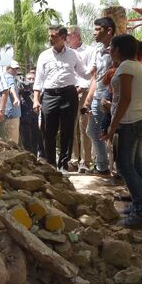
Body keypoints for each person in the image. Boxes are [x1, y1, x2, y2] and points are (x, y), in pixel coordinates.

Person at [101, 34, 142, 227]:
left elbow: (124, 99)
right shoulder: (136, 65)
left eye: (111, 47)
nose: (110, 51)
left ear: (117, 49)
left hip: (130, 122)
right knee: (137, 164)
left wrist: (113, 126)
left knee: (124, 166)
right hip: (139, 118)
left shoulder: (126, 67)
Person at [33, 25, 87, 173]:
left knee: (67, 131)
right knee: (47, 131)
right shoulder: (43, 55)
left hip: (69, 95)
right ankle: (51, 164)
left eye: (54, 36)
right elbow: (38, 80)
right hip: (49, 95)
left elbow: (84, 74)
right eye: (49, 36)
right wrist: (36, 100)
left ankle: (63, 165)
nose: (50, 39)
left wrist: (95, 71)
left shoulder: (73, 54)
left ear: (63, 38)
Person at [83, 17, 116, 176]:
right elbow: (95, 77)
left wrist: (111, 98)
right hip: (97, 99)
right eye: (94, 29)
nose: (94, 33)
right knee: (93, 131)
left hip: (112, 100)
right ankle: (102, 166)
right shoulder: (98, 51)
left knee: (114, 134)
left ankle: (118, 169)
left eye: (98, 29)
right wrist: (88, 101)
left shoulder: (118, 50)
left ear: (108, 30)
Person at [67, 26, 95, 173]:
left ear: (77, 36)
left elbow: (91, 74)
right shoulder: (67, 52)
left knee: (84, 127)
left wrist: (81, 87)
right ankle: (73, 159)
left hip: (84, 92)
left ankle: (86, 161)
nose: (67, 38)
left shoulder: (89, 51)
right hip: (70, 92)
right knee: (70, 127)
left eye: (69, 35)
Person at [2, 60, 22, 144]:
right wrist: (15, 98)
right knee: (12, 142)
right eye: (14, 69)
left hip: (9, 112)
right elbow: (11, 88)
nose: (16, 71)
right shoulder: (9, 77)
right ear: (8, 68)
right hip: (12, 113)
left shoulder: (4, 77)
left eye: (17, 69)